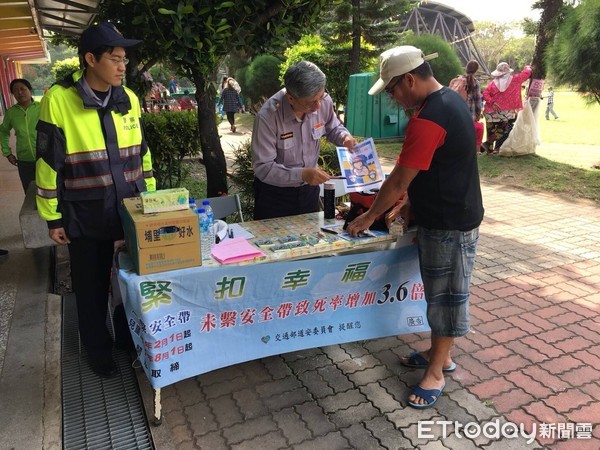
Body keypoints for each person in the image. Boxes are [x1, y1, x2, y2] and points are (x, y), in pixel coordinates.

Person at [346, 46, 484, 409]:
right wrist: (411, 202)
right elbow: (437, 168)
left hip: (449, 223)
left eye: (392, 90)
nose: (392, 98)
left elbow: (397, 180)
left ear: (409, 79)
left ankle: (438, 371)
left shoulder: (429, 117)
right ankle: (439, 354)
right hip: (447, 214)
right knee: (440, 294)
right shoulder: (447, 102)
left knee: (446, 299)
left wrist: (369, 215)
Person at [35, 22, 156, 378]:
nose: (122, 66)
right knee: (89, 286)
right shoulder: (59, 100)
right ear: (90, 59)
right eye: (115, 59)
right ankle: (97, 349)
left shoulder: (128, 98)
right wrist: (52, 217)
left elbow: (141, 153)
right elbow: (48, 163)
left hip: (130, 210)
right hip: (84, 215)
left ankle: (126, 338)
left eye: (125, 60)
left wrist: (149, 198)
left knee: (128, 281)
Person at [252, 60, 357, 220]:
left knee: (312, 240)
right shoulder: (268, 117)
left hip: (309, 192)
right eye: (310, 103)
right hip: (275, 196)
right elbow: (263, 167)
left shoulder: (323, 101)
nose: (317, 106)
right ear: (291, 98)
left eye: (321, 97)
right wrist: (301, 174)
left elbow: (333, 127)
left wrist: (345, 137)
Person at [481, 62, 532, 154]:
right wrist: (527, 67)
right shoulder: (516, 79)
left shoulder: (493, 83)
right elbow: (527, 73)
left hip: (490, 111)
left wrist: (492, 102)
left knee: (490, 131)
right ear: (508, 72)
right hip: (506, 112)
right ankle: (488, 144)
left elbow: (485, 93)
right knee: (503, 129)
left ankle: (489, 150)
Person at [0, 78, 40, 193]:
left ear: (30, 91)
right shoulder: (11, 113)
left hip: (44, 158)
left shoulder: (42, 107)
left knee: (49, 192)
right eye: (15, 90)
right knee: (30, 192)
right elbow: (3, 131)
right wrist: (7, 153)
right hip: (24, 161)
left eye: (23, 89)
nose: (20, 92)